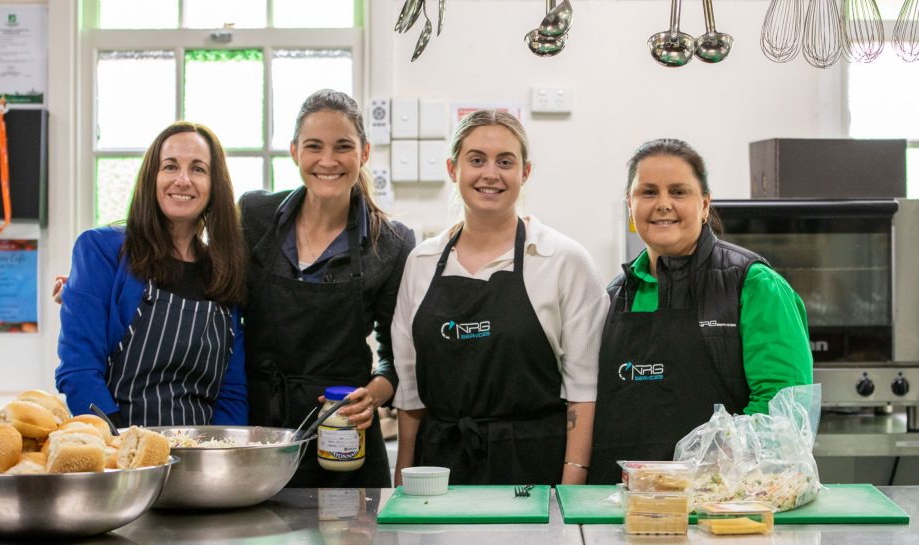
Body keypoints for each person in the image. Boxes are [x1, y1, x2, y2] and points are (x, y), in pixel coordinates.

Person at [391, 109, 610, 486]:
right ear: (452, 168)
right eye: (476, 160)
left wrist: (570, 491)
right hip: (439, 473)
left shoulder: (562, 259)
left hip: (532, 469)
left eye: (505, 162)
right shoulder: (422, 261)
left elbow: (583, 392)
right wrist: (401, 489)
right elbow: (411, 395)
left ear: (525, 172)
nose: (490, 174)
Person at [588, 138, 814, 484]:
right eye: (648, 192)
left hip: (723, 506)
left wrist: (704, 472)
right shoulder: (615, 295)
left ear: (705, 204)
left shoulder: (752, 284)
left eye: (678, 192)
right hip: (625, 503)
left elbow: (783, 409)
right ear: (630, 206)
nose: (663, 204)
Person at [239, 89, 415, 488]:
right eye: (314, 146)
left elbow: (397, 357)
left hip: (342, 432)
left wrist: (373, 395)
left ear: (365, 152)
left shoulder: (391, 243)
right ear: (294, 151)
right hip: (258, 431)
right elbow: (197, 268)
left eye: (343, 147)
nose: (328, 161)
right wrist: (100, 274)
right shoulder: (255, 216)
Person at [55, 121, 248, 427]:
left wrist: (222, 457)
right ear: (152, 178)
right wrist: (122, 450)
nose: (182, 180)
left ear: (215, 185)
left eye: (198, 169)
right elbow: (79, 370)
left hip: (203, 459)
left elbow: (232, 391)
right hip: (120, 457)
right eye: (170, 167)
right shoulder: (101, 251)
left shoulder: (222, 270)